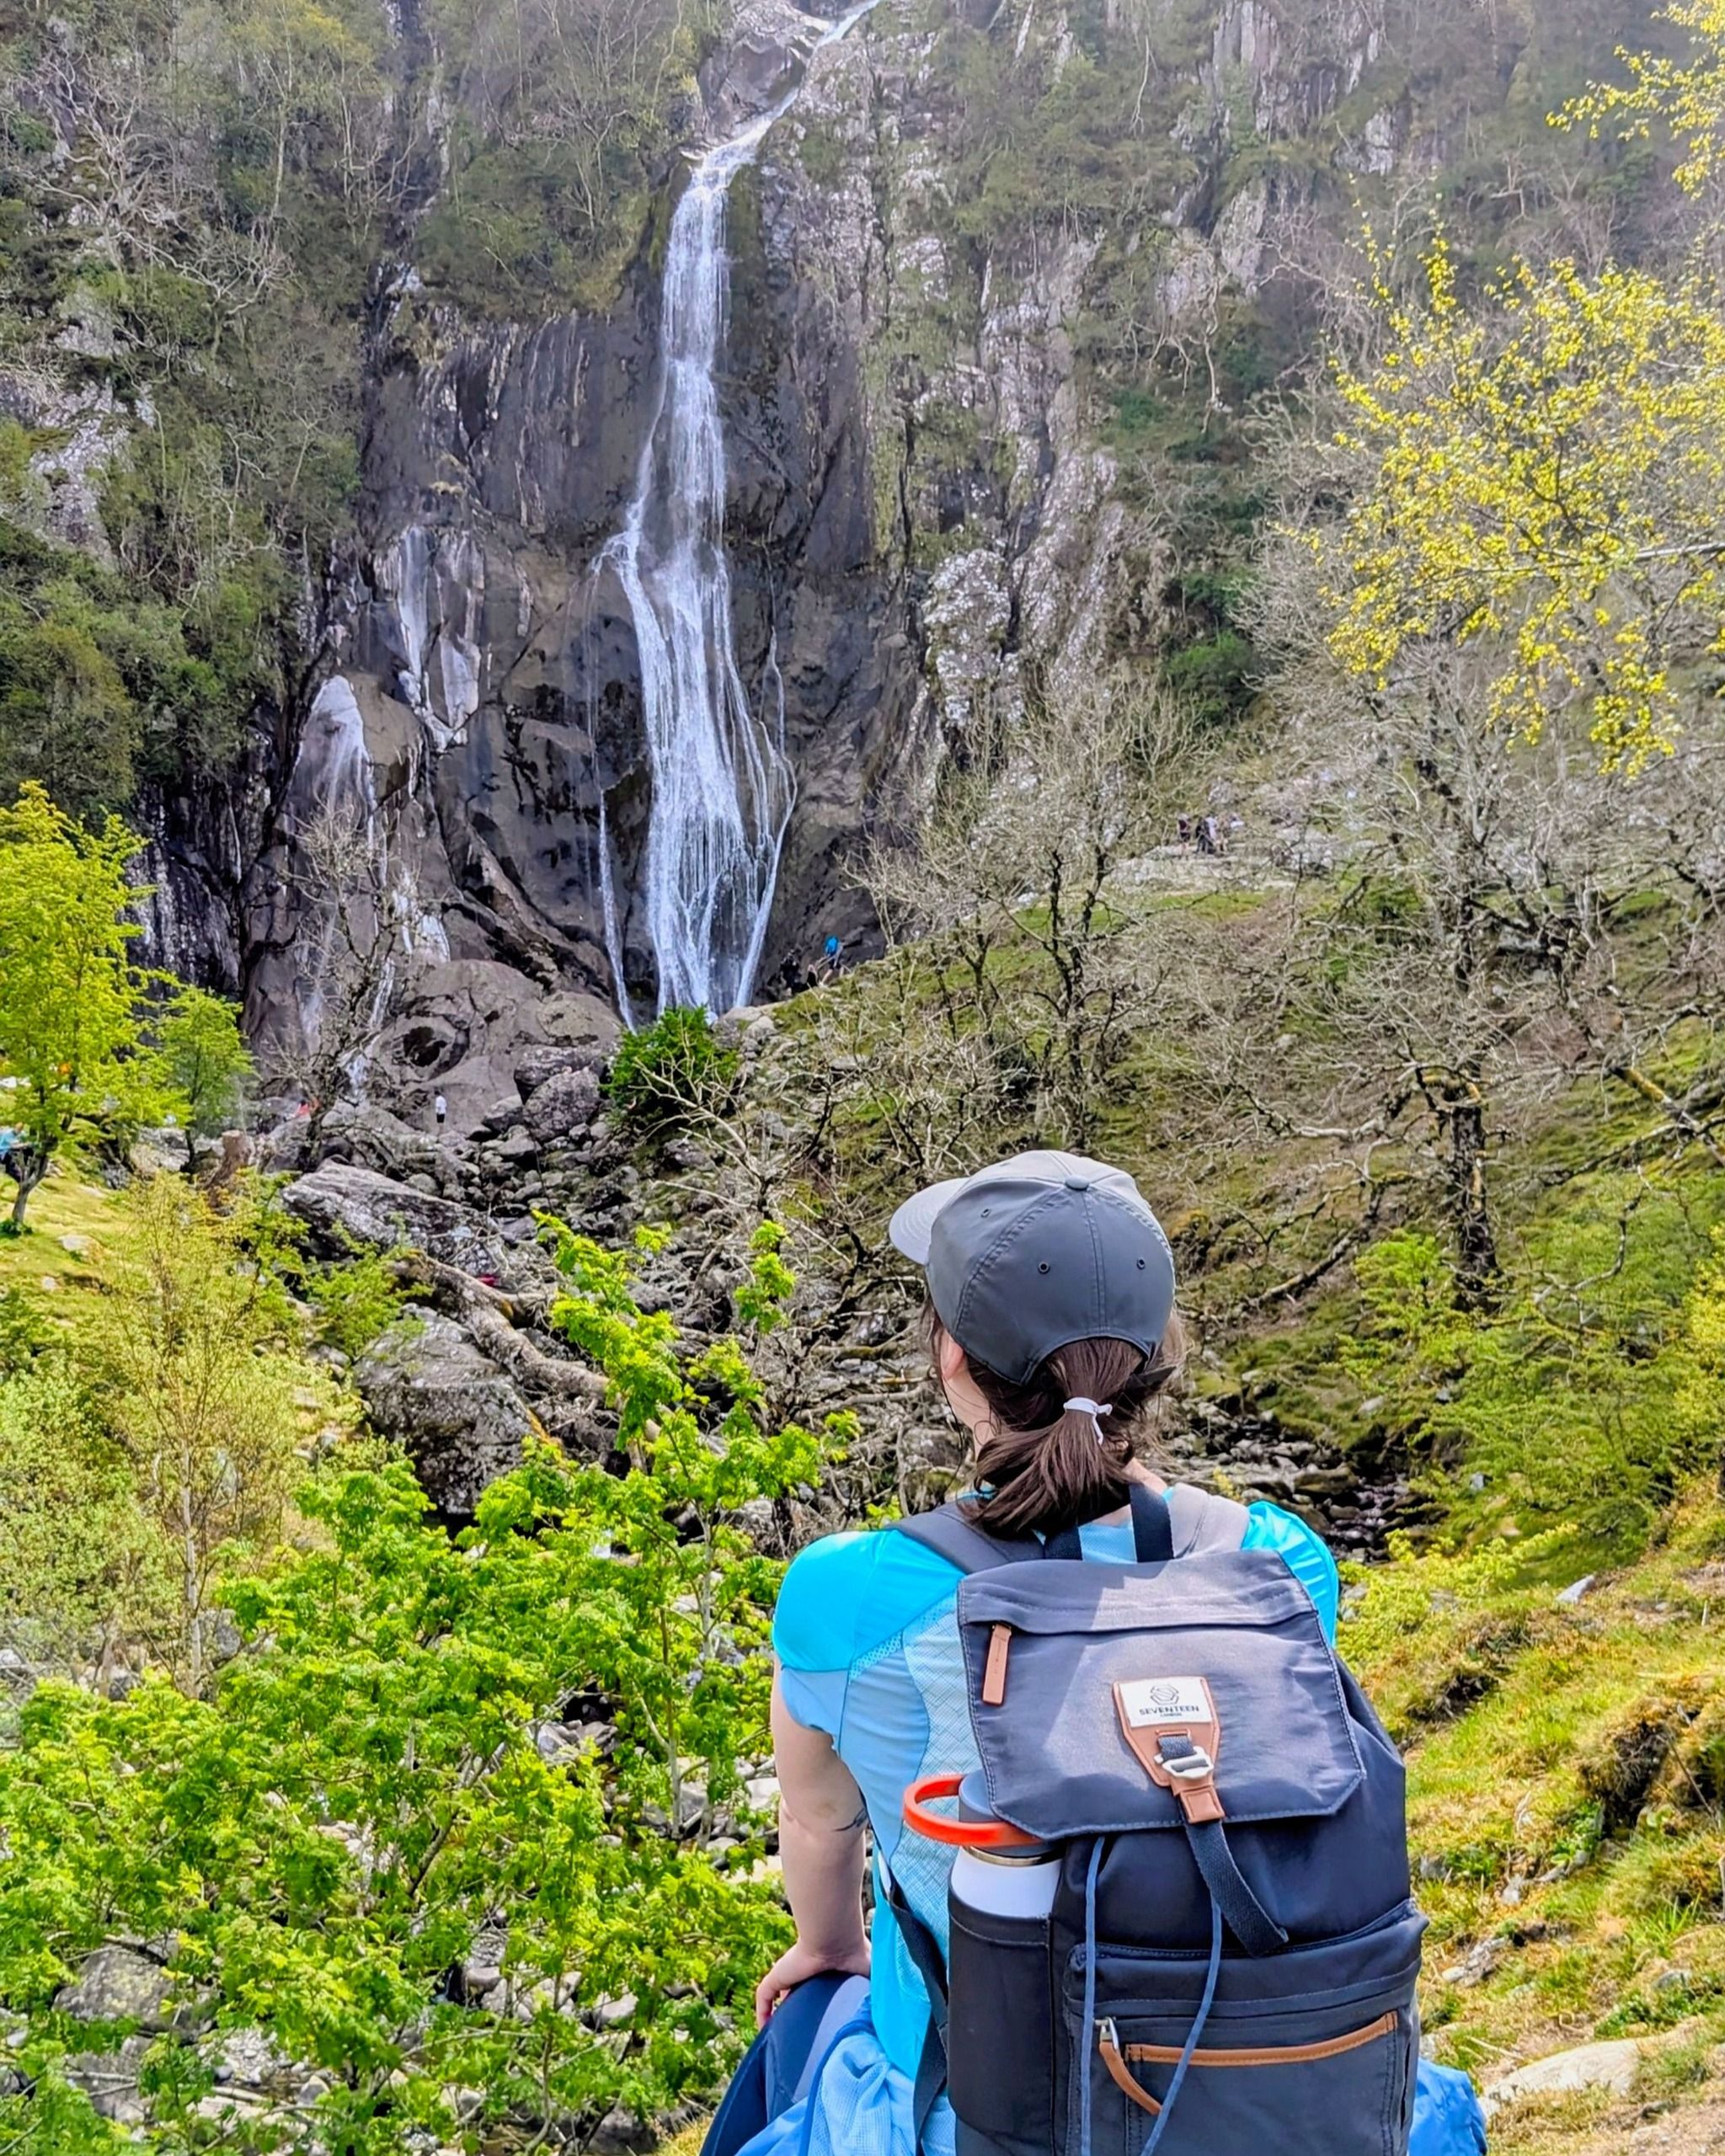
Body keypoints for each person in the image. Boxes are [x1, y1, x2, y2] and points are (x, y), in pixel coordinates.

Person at [715, 1151, 1484, 2156]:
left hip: (978, 2114)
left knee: (801, 2041)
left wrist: (829, 1948)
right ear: (1157, 1354)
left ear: (949, 1358)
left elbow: (819, 1820)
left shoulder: (846, 1591)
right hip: (1255, 2085)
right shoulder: (1274, 1559)